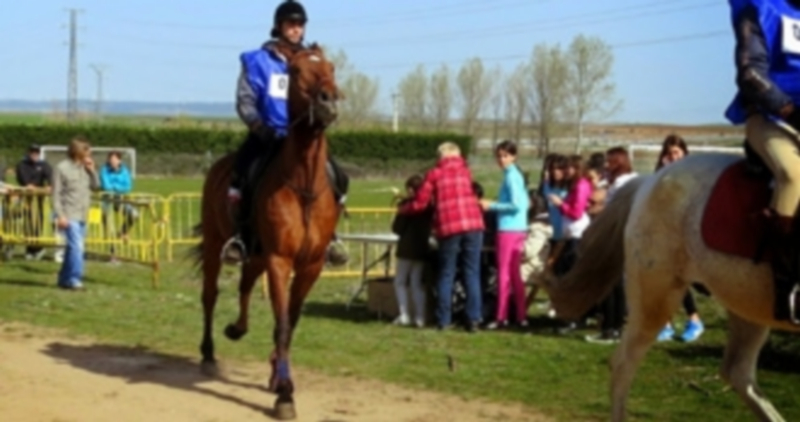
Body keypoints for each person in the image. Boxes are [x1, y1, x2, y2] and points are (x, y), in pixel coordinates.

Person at [223, 0, 348, 266]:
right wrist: (258, 126)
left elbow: (322, 94)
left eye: (300, 24)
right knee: (243, 172)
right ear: (279, 26)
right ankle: (240, 238)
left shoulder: (312, 61)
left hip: (303, 138)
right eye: (291, 24)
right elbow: (245, 101)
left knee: (339, 176)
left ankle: (331, 236)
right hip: (266, 134)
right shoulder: (257, 61)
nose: (295, 29)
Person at [725, 0, 800, 324]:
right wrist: (791, 112)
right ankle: (788, 286)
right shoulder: (762, 10)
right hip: (772, 118)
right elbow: (751, 73)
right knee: (794, 175)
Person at [400, 142, 485, 333]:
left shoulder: (434, 174)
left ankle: (443, 320)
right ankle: (473, 320)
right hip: (474, 225)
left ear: (440, 157)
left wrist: (405, 209)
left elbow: (421, 203)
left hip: (449, 226)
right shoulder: (466, 172)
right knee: (472, 272)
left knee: (447, 273)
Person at [650, 135, 706, 342]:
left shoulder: (693, 174)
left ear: (684, 152)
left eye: (676, 152)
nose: (672, 157)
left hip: (685, 232)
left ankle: (694, 320)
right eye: (668, 153)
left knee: (680, 279)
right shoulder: (662, 174)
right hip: (664, 232)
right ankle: (666, 323)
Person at [586, 147, 638, 344]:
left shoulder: (623, 184)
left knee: (611, 283)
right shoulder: (620, 182)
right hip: (619, 235)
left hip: (616, 235)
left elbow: (615, 210)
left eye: (610, 162)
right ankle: (614, 326)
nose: (606, 166)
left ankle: (611, 327)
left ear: (619, 163)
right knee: (616, 284)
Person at [480, 141, 531, 329]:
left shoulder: (511, 176)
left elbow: (517, 204)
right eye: (499, 156)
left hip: (508, 229)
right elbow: (525, 203)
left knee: (504, 275)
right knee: (514, 275)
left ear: (514, 156)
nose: (501, 160)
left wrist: (491, 206)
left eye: (505, 156)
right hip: (519, 228)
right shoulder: (516, 176)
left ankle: (501, 316)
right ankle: (520, 315)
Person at [51, 136, 99, 290]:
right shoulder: (61, 168)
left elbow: (97, 187)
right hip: (69, 214)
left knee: (73, 248)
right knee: (78, 247)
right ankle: (74, 279)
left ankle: (64, 279)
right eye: (87, 149)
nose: (89, 152)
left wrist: (92, 171)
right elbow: (56, 194)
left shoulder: (86, 167)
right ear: (78, 151)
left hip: (83, 213)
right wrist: (60, 215)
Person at [391, 174, 433, 328]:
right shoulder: (429, 206)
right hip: (422, 248)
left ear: (410, 189)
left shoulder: (406, 206)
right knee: (417, 284)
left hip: (406, 249)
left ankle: (404, 314)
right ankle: (420, 317)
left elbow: (397, 229)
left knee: (400, 282)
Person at [15, 144, 53, 260]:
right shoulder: (22, 165)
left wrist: (50, 186)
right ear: (28, 152)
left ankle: (37, 247)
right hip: (27, 197)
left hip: (39, 198)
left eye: (36, 152)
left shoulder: (44, 165)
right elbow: (24, 180)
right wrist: (28, 186)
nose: (34, 154)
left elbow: (50, 176)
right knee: (28, 223)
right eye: (32, 152)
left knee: (38, 222)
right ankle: (30, 248)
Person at [99, 151, 138, 262]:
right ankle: (113, 255)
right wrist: (118, 187)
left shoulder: (125, 171)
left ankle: (123, 231)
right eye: (110, 159)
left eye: (115, 159)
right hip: (107, 202)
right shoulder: (104, 170)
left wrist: (115, 187)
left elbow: (128, 187)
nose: (112, 161)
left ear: (119, 160)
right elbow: (106, 186)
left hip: (121, 200)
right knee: (110, 228)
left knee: (134, 214)